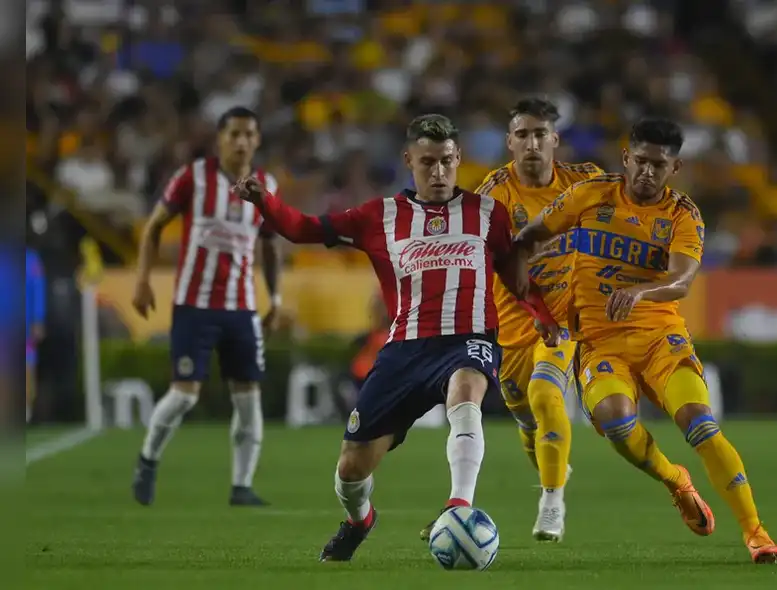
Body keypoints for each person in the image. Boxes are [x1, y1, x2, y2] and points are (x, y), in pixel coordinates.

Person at [231, 114, 560, 562]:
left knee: (467, 392)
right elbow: (304, 229)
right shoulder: (378, 216)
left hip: (468, 339)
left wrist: (540, 314)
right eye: (428, 162)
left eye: (447, 161)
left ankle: (458, 505)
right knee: (351, 467)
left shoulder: (487, 214)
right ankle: (359, 520)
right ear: (409, 160)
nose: (440, 172)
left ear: (459, 158)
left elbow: (514, 276)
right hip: (404, 349)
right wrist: (264, 202)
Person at [512, 118, 777, 564]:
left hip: (660, 337)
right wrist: (536, 303)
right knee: (617, 424)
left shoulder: (682, 214)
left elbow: (680, 281)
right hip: (599, 343)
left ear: (674, 167)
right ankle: (675, 480)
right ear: (626, 159)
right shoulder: (589, 195)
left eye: (659, 165)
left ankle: (756, 532)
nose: (647, 172)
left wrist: (639, 291)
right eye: (640, 161)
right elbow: (527, 239)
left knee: (700, 424)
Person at [454, 97, 603, 543]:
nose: (532, 143)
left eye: (541, 134)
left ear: (555, 140)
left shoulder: (586, 182)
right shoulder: (494, 192)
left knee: (545, 395)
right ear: (509, 143)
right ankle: (550, 466)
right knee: (525, 417)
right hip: (513, 322)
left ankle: (552, 502)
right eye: (523, 135)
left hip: (564, 320)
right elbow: (484, 258)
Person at [130, 106, 283, 507]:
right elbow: (153, 227)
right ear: (220, 139)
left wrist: (276, 298)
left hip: (242, 309)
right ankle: (147, 460)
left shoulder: (266, 184)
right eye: (233, 133)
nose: (241, 141)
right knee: (183, 394)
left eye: (249, 134)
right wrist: (143, 279)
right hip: (194, 306)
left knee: (248, 398)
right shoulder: (192, 178)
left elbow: (270, 245)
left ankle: (242, 486)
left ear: (258, 140)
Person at [26, 247, 46, 423]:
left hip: (24, 324)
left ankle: (26, 409)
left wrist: (38, 319)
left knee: (27, 367)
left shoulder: (31, 259)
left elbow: (38, 289)